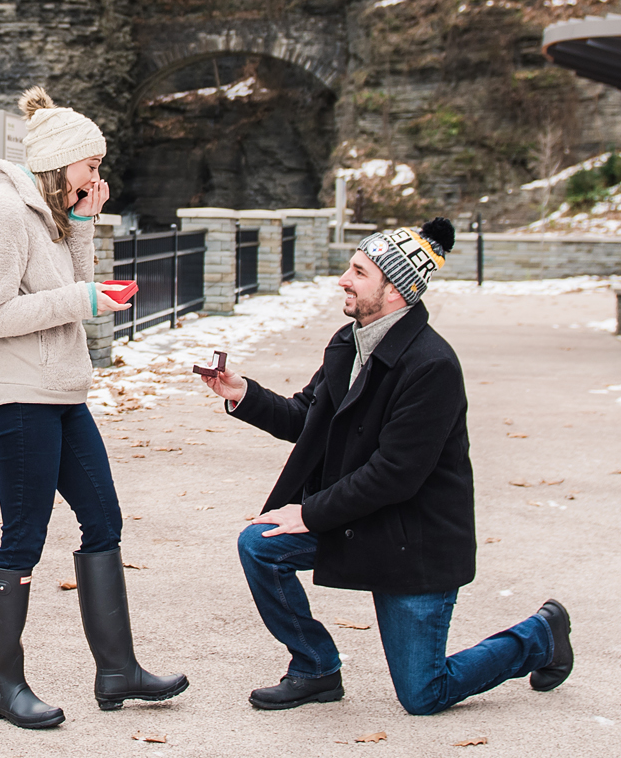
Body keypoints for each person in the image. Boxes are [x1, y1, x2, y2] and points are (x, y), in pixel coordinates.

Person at [198, 218, 573, 715]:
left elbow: (396, 472)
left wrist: (309, 514)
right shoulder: (350, 341)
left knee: (424, 694)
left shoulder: (432, 365)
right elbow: (310, 419)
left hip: (413, 539)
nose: (343, 279)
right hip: (364, 518)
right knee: (260, 546)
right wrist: (244, 394)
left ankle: (539, 636)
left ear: (394, 290)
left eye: (359, 271)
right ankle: (315, 667)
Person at [0, 86, 188, 729]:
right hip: (17, 398)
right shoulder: (4, 213)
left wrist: (86, 225)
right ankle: (4, 687)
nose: (98, 176)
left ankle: (117, 670)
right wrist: (84, 301)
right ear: (60, 161)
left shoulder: (48, 213)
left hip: (62, 392)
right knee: (23, 537)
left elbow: (71, 287)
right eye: (91, 165)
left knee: (104, 519)